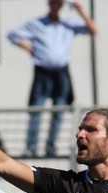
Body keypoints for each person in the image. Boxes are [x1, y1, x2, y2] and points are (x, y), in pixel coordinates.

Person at [8, 0, 97, 157]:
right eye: (53, 2)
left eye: (59, 3)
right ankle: (31, 147)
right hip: (42, 72)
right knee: (36, 110)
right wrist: (27, 47)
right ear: (49, 4)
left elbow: (93, 30)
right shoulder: (36, 23)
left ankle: (51, 147)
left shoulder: (68, 24)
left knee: (59, 110)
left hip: (61, 73)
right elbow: (13, 35)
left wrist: (81, 12)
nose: (56, 5)